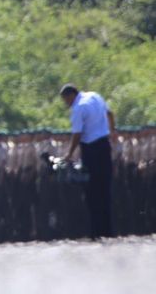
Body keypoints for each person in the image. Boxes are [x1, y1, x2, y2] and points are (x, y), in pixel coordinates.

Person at [60, 83, 115, 238]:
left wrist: (69, 154)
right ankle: (107, 231)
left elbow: (77, 135)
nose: (67, 104)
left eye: (66, 100)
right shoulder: (95, 96)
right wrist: (112, 131)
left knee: (92, 192)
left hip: (91, 149)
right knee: (105, 189)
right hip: (104, 145)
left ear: (71, 95)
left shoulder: (78, 108)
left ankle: (96, 232)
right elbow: (110, 114)